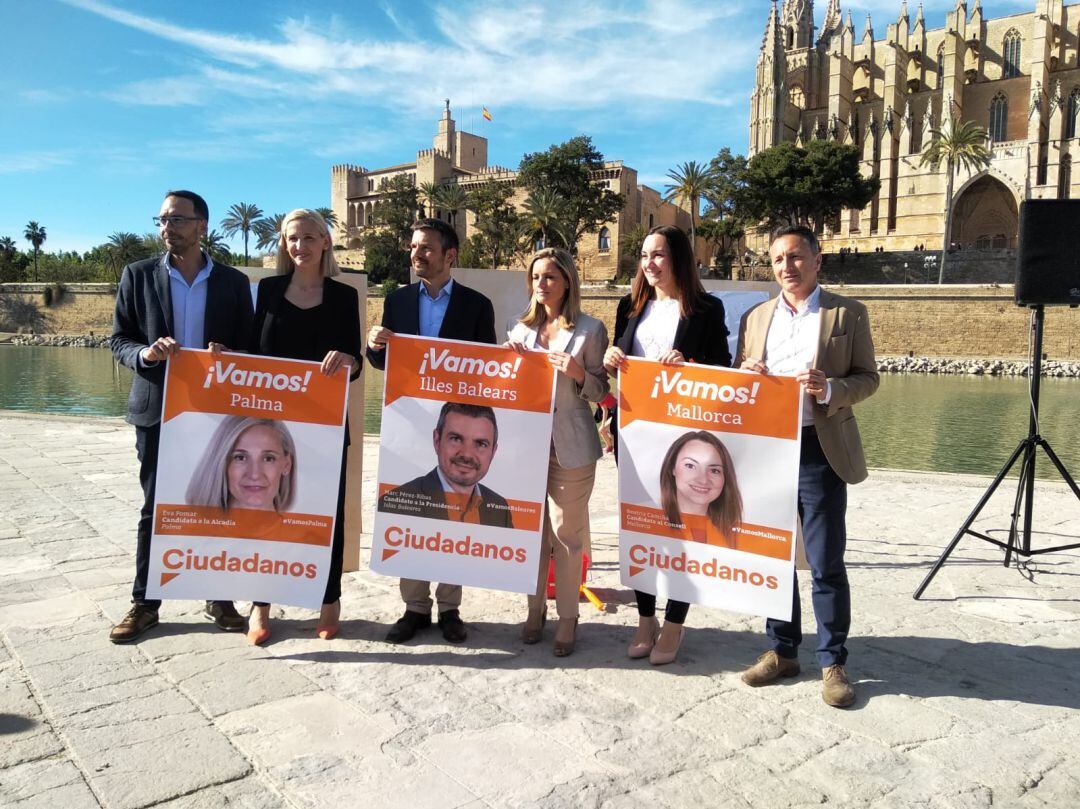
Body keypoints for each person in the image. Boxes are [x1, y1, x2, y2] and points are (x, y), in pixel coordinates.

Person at [736, 223, 879, 709]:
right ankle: (782, 649)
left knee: (824, 561)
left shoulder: (848, 313)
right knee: (772, 557)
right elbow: (741, 380)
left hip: (819, 448)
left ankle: (832, 661)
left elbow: (868, 378)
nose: (787, 267)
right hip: (768, 449)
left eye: (796, 257)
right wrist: (745, 375)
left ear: (818, 260)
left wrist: (832, 390)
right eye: (778, 260)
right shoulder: (756, 318)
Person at [109, 190, 254, 643]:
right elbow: (119, 341)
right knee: (156, 508)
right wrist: (147, 353)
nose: (167, 227)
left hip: (215, 414)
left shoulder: (232, 283)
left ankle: (219, 596)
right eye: (162, 219)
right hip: (157, 411)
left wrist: (231, 356)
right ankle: (144, 603)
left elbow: (250, 347)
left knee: (217, 506)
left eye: (176, 219)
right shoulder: (137, 275)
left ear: (202, 225)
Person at [603, 224, 731, 666]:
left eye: (658, 255)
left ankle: (674, 622)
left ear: (678, 258)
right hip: (634, 434)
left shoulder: (706, 310)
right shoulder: (629, 305)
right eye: (643, 256)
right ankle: (644, 618)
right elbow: (615, 370)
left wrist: (691, 365)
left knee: (681, 529)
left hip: (684, 439)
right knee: (640, 525)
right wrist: (611, 359)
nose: (650, 264)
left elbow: (723, 373)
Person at [366, 217, 496, 644]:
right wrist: (374, 346)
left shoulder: (477, 306)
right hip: (408, 424)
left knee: (455, 516)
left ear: (449, 255)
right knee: (411, 509)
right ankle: (414, 607)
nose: (416, 254)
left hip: (455, 425)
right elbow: (384, 364)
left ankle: (450, 607)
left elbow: (489, 370)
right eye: (413, 247)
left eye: (425, 248)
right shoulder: (397, 300)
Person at [247, 208, 362, 645]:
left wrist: (348, 360)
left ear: (326, 242)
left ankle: (329, 602)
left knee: (325, 516)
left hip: (325, 429)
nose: (301, 245)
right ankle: (260, 605)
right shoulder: (269, 290)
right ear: (284, 243)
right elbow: (251, 354)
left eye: (310, 237)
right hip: (269, 428)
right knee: (265, 514)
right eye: (293, 238)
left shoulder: (343, 295)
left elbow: (354, 360)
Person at [506, 248, 609, 657]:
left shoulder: (591, 329)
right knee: (533, 532)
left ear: (567, 281)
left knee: (568, 536)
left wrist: (579, 373)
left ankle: (568, 617)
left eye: (549, 277)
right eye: (535, 277)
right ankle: (535, 609)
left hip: (573, 447)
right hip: (526, 446)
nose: (541, 284)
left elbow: (603, 392)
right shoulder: (518, 331)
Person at [379, 402, 512, 528]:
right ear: (437, 441)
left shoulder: (500, 509)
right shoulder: (394, 504)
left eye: (480, 444)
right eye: (456, 439)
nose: (467, 454)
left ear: (493, 452)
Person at [186, 417, 296, 513]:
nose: (254, 475)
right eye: (240, 458)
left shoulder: (306, 535)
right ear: (221, 464)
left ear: (287, 465)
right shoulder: (186, 532)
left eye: (268, 458)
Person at [659, 430, 742, 547]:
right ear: (672, 468)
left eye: (714, 470)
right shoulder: (643, 517)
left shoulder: (734, 533)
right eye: (690, 466)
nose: (703, 480)